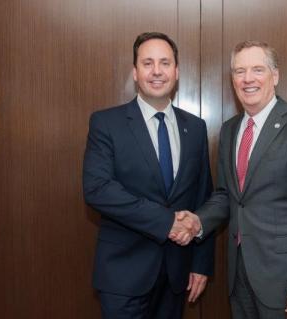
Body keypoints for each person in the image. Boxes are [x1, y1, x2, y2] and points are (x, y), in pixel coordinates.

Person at [170, 40, 287, 319]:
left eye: (257, 70)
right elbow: (227, 196)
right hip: (240, 277)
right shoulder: (230, 130)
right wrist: (197, 222)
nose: (248, 79)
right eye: (239, 71)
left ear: (275, 76)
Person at [83, 32, 214, 319]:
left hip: (176, 276)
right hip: (123, 276)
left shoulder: (196, 128)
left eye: (165, 63)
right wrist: (166, 222)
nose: (157, 71)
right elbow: (98, 189)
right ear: (135, 72)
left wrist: (201, 264)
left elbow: (204, 197)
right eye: (148, 63)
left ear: (176, 72)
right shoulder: (106, 123)